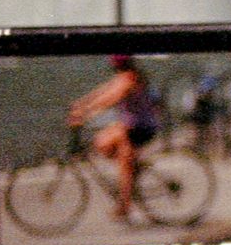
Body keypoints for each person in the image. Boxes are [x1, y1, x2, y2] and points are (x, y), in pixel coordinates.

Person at [66, 54, 164, 220]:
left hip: (141, 128)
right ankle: (133, 166)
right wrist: (81, 104)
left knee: (124, 165)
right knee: (101, 142)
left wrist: (85, 113)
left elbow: (111, 98)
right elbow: (103, 91)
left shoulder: (130, 79)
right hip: (129, 125)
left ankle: (124, 207)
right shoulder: (122, 77)